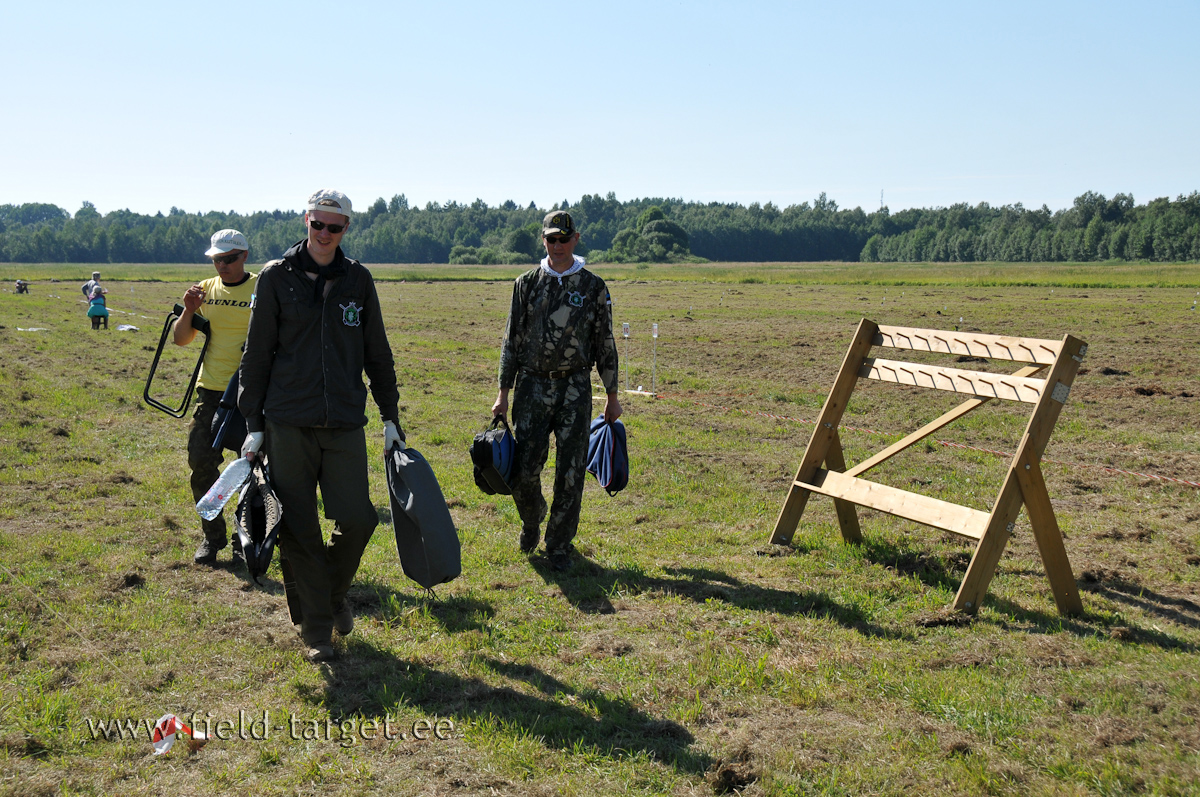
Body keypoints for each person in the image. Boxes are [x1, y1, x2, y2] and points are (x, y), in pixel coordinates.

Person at [238, 188, 403, 663]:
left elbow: (377, 352)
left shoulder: (358, 279)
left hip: (344, 419)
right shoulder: (276, 277)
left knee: (359, 519)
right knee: (299, 528)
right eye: (318, 224)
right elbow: (257, 354)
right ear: (305, 221)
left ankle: (330, 596)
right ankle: (316, 631)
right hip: (287, 420)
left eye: (335, 226)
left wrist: (390, 416)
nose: (325, 234)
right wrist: (253, 424)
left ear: (346, 228)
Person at [492, 210, 621, 571]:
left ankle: (559, 544)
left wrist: (612, 396)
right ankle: (532, 519)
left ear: (575, 239)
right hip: (531, 387)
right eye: (552, 239)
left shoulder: (593, 286)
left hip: (574, 388)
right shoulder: (526, 283)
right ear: (544, 240)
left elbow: (605, 343)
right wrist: (503, 393)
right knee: (524, 471)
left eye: (564, 239)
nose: (558, 245)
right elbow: (511, 341)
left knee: (570, 471)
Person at [174, 229, 257, 565]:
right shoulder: (205, 290)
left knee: (253, 470)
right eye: (216, 259)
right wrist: (188, 310)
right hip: (211, 393)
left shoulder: (263, 288)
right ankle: (212, 537)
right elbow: (181, 339)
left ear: (244, 256)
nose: (222, 265)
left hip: (253, 393)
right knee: (200, 462)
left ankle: (244, 540)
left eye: (229, 258)